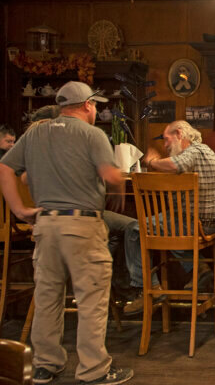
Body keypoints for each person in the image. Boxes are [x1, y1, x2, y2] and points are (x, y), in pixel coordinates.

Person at [0, 81, 133, 385]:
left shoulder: (34, 133)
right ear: (87, 105)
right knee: (91, 299)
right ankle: (93, 370)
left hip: (45, 226)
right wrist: (121, 176)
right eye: (95, 105)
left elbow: (6, 169)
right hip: (82, 224)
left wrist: (20, 210)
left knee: (47, 298)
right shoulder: (93, 134)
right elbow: (111, 175)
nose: (96, 109)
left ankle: (45, 365)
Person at [124, 121, 215, 314]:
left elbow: (173, 165)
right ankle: (200, 268)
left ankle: (149, 290)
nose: (165, 145)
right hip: (200, 223)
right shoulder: (204, 151)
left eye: (166, 139)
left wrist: (152, 162)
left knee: (135, 229)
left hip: (195, 224)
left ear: (179, 134)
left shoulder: (196, 151)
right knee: (164, 228)